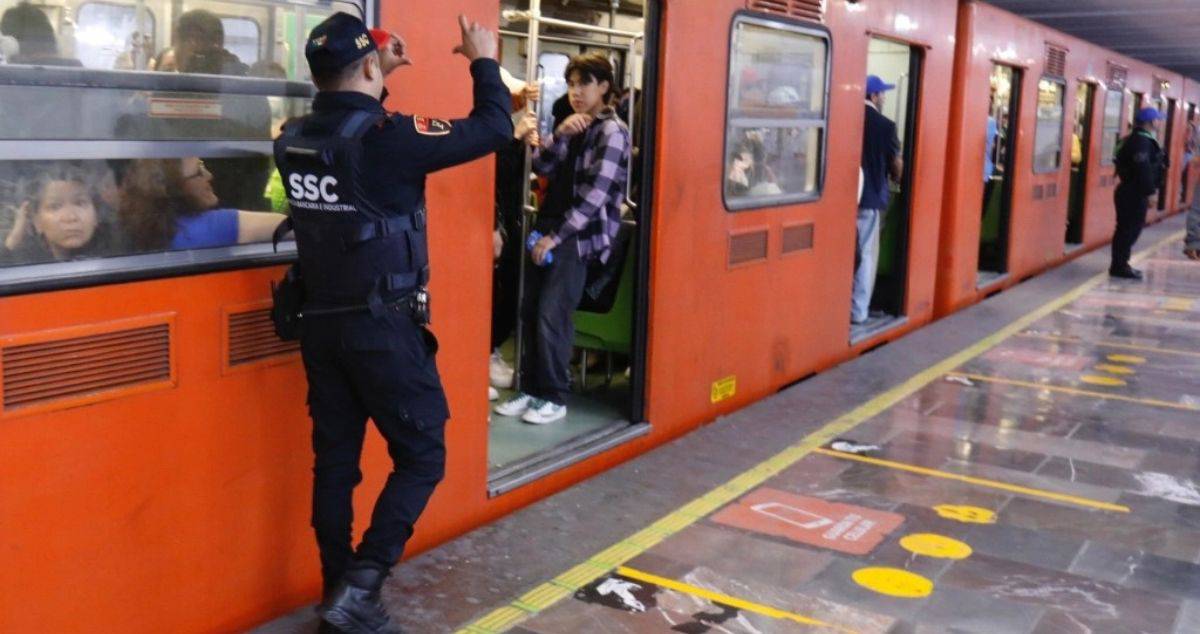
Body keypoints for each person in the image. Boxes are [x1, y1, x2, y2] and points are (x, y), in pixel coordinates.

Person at [272, 12, 511, 632]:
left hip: (321, 326)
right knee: (424, 453)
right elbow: (495, 126)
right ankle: (363, 583)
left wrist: (382, 74)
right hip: (384, 329)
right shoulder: (391, 137)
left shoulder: (292, 138)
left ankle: (336, 588)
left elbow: (348, 149)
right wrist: (482, 59)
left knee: (336, 465)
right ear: (372, 68)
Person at [493, 52, 631, 425]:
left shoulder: (613, 131)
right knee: (529, 309)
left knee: (553, 314)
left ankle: (553, 395)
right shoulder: (576, 125)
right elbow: (542, 166)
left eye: (584, 84)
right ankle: (529, 387)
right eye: (571, 84)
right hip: (549, 222)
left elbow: (595, 198)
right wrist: (558, 134)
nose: (576, 92)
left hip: (576, 236)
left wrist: (554, 238)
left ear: (604, 86)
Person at [117, 158, 284, 251]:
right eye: (199, 171)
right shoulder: (213, 226)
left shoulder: (143, 228)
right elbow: (292, 227)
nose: (209, 175)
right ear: (176, 187)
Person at [852, 75, 902, 325]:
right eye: (881, 93)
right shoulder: (886, 126)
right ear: (873, 96)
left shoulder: (846, 118)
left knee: (847, 254)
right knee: (865, 255)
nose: (883, 97)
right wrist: (897, 177)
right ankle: (858, 311)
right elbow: (896, 163)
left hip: (842, 199)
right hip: (869, 199)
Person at [2, 162, 123, 265]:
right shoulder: (25, 264)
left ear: (96, 214)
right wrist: (13, 241)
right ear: (36, 220)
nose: (71, 217)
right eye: (55, 207)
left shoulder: (121, 256)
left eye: (80, 203)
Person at [1110, 107, 1166, 280]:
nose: (1159, 122)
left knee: (1128, 229)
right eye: (1157, 119)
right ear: (1150, 122)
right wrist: (1150, 192)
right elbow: (1143, 168)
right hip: (1133, 192)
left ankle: (1120, 264)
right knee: (1128, 230)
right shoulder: (1141, 142)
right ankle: (1119, 267)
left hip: (1131, 190)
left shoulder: (1136, 139)